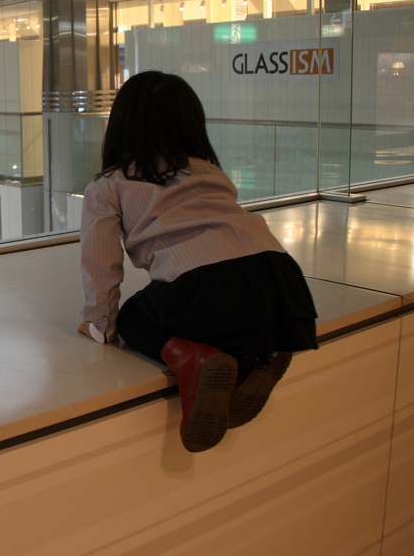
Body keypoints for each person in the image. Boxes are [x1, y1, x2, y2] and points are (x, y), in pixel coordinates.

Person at [78, 71, 318, 454]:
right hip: (280, 276)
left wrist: (101, 325)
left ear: (120, 124)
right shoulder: (209, 171)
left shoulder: (108, 185)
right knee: (222, 312)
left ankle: (192, 358)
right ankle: (259, 356)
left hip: (205, 283)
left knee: (135, 317)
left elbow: (101, 266)